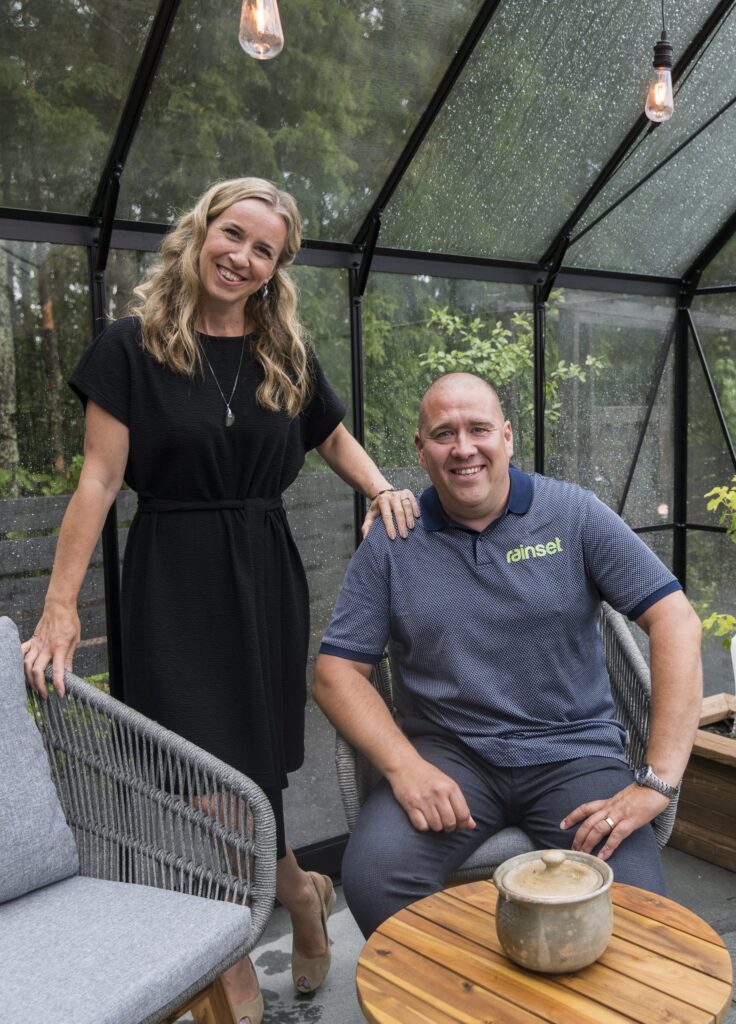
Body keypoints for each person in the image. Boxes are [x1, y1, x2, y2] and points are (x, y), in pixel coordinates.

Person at [21, 177, 420, 1024]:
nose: (242, 257)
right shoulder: (132, 348)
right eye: (232, 235)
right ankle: (271, 924)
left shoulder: (285, 352)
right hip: (172, 578)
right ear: (202, 231)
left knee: (252, 777)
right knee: (201, 782)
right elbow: (98, 481)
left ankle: (278, 914)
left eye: (264, 250)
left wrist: (382, 488)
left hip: (264, 575)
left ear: (277, 267)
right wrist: (61, 606)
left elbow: (330, 434)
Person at [312, 371, 703, 938]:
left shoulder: (572, 513)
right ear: (421, 450)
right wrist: (405, 768)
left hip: (574, 754)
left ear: (508, 436)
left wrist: (657, 780)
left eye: (479, 429)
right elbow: (335, 675)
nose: (463, 448)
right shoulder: (395, 540)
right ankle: (464, 986)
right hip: (450, 758)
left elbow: (675, 621)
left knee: (636, 912)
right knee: (376, 878)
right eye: (444, 434)